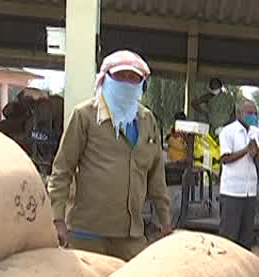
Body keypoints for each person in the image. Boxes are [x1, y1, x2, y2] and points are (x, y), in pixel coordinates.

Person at [47, 50, 171, 261]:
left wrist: (165, 220)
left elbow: (157, 177)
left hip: (130, 234)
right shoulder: (84, 116)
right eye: (121, 77)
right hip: (87, 232)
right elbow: (62, 170)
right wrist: (56, 218)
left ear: (142, 85)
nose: (127, 83)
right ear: (106, 79)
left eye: (134, 78)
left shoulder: (147, 120)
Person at [218, 100, 259, 250]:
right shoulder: (228, 131)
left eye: (255, 114)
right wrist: (246, 150)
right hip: (232, 191)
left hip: (249, 191)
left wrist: (258, 152)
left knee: (246, 237)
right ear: (239, 114)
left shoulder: (257, 133)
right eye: (249, 113)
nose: (253, 117)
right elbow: (225, 159)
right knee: (229, 236)